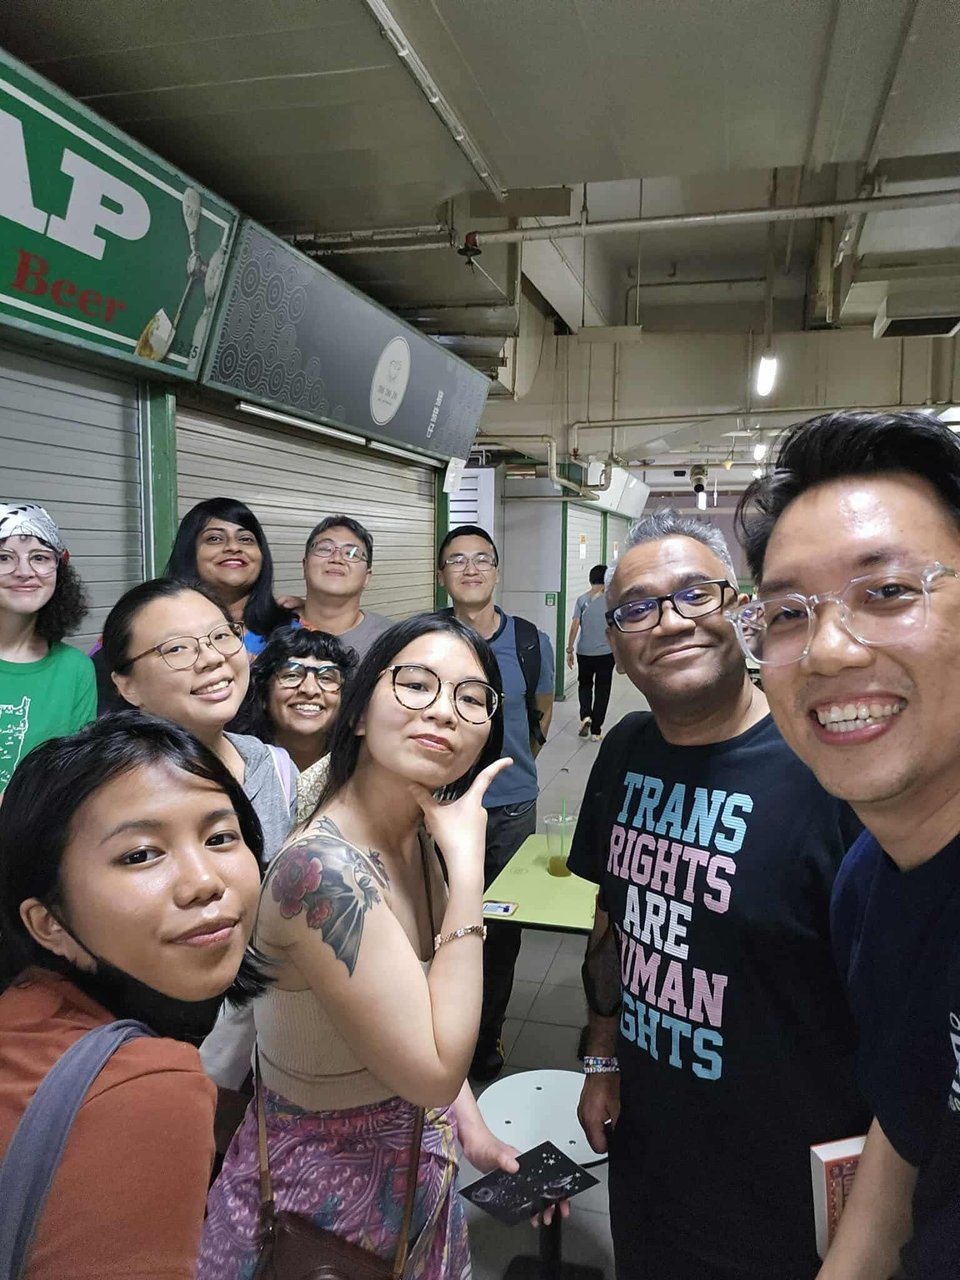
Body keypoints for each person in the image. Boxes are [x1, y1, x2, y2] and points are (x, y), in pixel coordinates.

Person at [570, 507, 869, 1280]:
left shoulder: (831, 773)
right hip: (649, 1156)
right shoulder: (625, 751)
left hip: (785, 1184)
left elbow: (898, 1014)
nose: (668, 623)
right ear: (616, 642)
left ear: (740, 607)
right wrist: (602, 1059)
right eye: (637, 608)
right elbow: (613, 921)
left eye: (693, 594)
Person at [200, 615, 525, 1279]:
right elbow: (431, 1067)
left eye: (470, 697)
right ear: (356, 716)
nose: (443, 711)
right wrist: (469, 879)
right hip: (318, 1210)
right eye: (415, 685)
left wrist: (468, 1124)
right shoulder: (319, 873)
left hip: (415, 1176)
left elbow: (423, 1017)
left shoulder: (421, 832)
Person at [732, 410, 960, 1280]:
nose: (826, 650)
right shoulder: (870, 882)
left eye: (889, 592)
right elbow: (905, 1137)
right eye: (787, 612)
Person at [0, 714, 264, 1278]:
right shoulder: (146, 1085)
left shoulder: (23, 1005)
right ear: (48, 923)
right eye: (140, 854)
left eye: (221, 837)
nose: (204, 881)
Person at [101, 578, 298, 1090]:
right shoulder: (105, 793)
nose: (210, 659)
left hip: (259, 1037)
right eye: (176, 649)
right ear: (127, 685)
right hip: (146, 1041)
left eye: (220, 636)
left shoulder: (273, 766)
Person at [436, 524, 555, 1082]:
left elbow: (539, 717)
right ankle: (438, 1031)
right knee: (440, 923)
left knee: (501, 932)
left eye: (481, 559)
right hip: (438, 809)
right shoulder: (430, 639)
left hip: (510, 810)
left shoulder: (528, 640)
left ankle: (486, 1033)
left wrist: (509, 769)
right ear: (443, 575)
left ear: (497, 571)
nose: (470, 568)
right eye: (457, 560)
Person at [91, 497, 292, 714]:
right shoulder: (140, 628)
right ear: (189, 552)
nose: (233, 547)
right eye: (214, 539)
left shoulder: (289, 631)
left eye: (246, 539)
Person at [0, 502, 96, 793]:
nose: (24, 571)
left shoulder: (75, 669)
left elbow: (76, 775)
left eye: (40, 558)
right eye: (4, 558)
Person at [234, 625, 357, 821]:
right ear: (264, 695)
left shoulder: (357, 772)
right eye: (292, 675)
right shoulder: (238, 765)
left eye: (326, 677)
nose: (310, 690)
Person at [296, 515, 393, 657]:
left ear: (367, 576)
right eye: (325, 549)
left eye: (351, 553)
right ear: (305, 566)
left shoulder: (390, 641)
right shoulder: (269, 630)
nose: (336, 559)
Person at [567, 562, 615, 740]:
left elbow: (574, 627)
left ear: (590, 579)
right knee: (603, 690)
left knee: (585, 684)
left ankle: (585, 715)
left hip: (584, 652)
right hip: (606, 653)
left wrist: (569, 649)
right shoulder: (611, 601)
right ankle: (596, 731)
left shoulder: (581, 600)